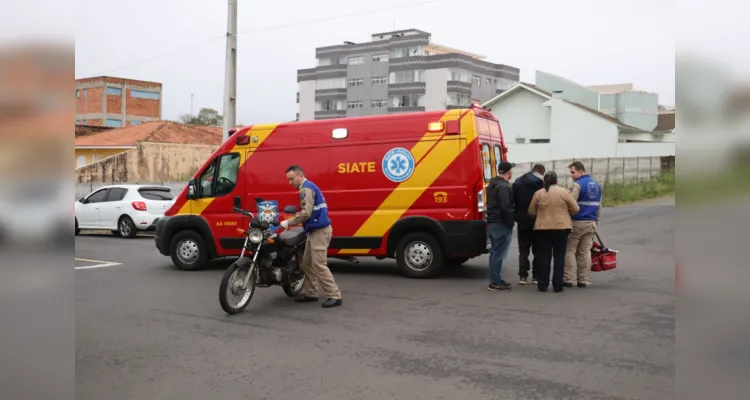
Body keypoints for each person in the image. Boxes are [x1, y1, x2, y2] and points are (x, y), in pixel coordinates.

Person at [280, 165, 343, 308]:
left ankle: (334, 295)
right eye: (288, 180)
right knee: (306, 263)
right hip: (315, 232)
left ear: (300, 175)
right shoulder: (309, 186)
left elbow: (306, 213)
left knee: (319, 265)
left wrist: (288, 222)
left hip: (320, 232)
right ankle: (311, 293)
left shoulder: (305, 189)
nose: (290, 183)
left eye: (291, 179)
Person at [528, 171, 580, 293]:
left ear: (544, 181)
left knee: (544, 256)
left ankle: (542, 284)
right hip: (561, 227)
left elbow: (531, 211)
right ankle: (558, 285)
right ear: (557, 181)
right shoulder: (564, 192)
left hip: (542, 228)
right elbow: (575, 209)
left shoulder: (539, 193)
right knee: (559, 255)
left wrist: (540, 216)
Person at [564, 161, 602, 288]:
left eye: (573, 172)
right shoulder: (597, 185)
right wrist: (596, 220)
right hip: (591, 222)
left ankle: (568, 279)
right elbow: (599, 206)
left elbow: (571, 203)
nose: (571, 175)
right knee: (585, 252)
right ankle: (583, 280)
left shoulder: (577, 185)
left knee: (569, 250)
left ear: (581, 171)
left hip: (577, 221)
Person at [512, 163, 545, 285]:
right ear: (541, 172)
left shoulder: (518, 182)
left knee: (523, 251)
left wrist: (516, 216)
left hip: (522, 221)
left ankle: (523, 276)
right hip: (538, 221)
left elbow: (512, 200)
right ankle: (536, 276)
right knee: (538, 250)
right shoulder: (542, 183)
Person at [485, 161, 516, 292]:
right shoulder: (503, 187)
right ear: (509, 172)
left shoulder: (491, 185)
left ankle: (495, 278)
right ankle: (495, 282)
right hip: (500, 223)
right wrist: (511, 221)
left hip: (492, 221)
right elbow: (505, 206)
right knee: (498, 253)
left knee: (494, 252)